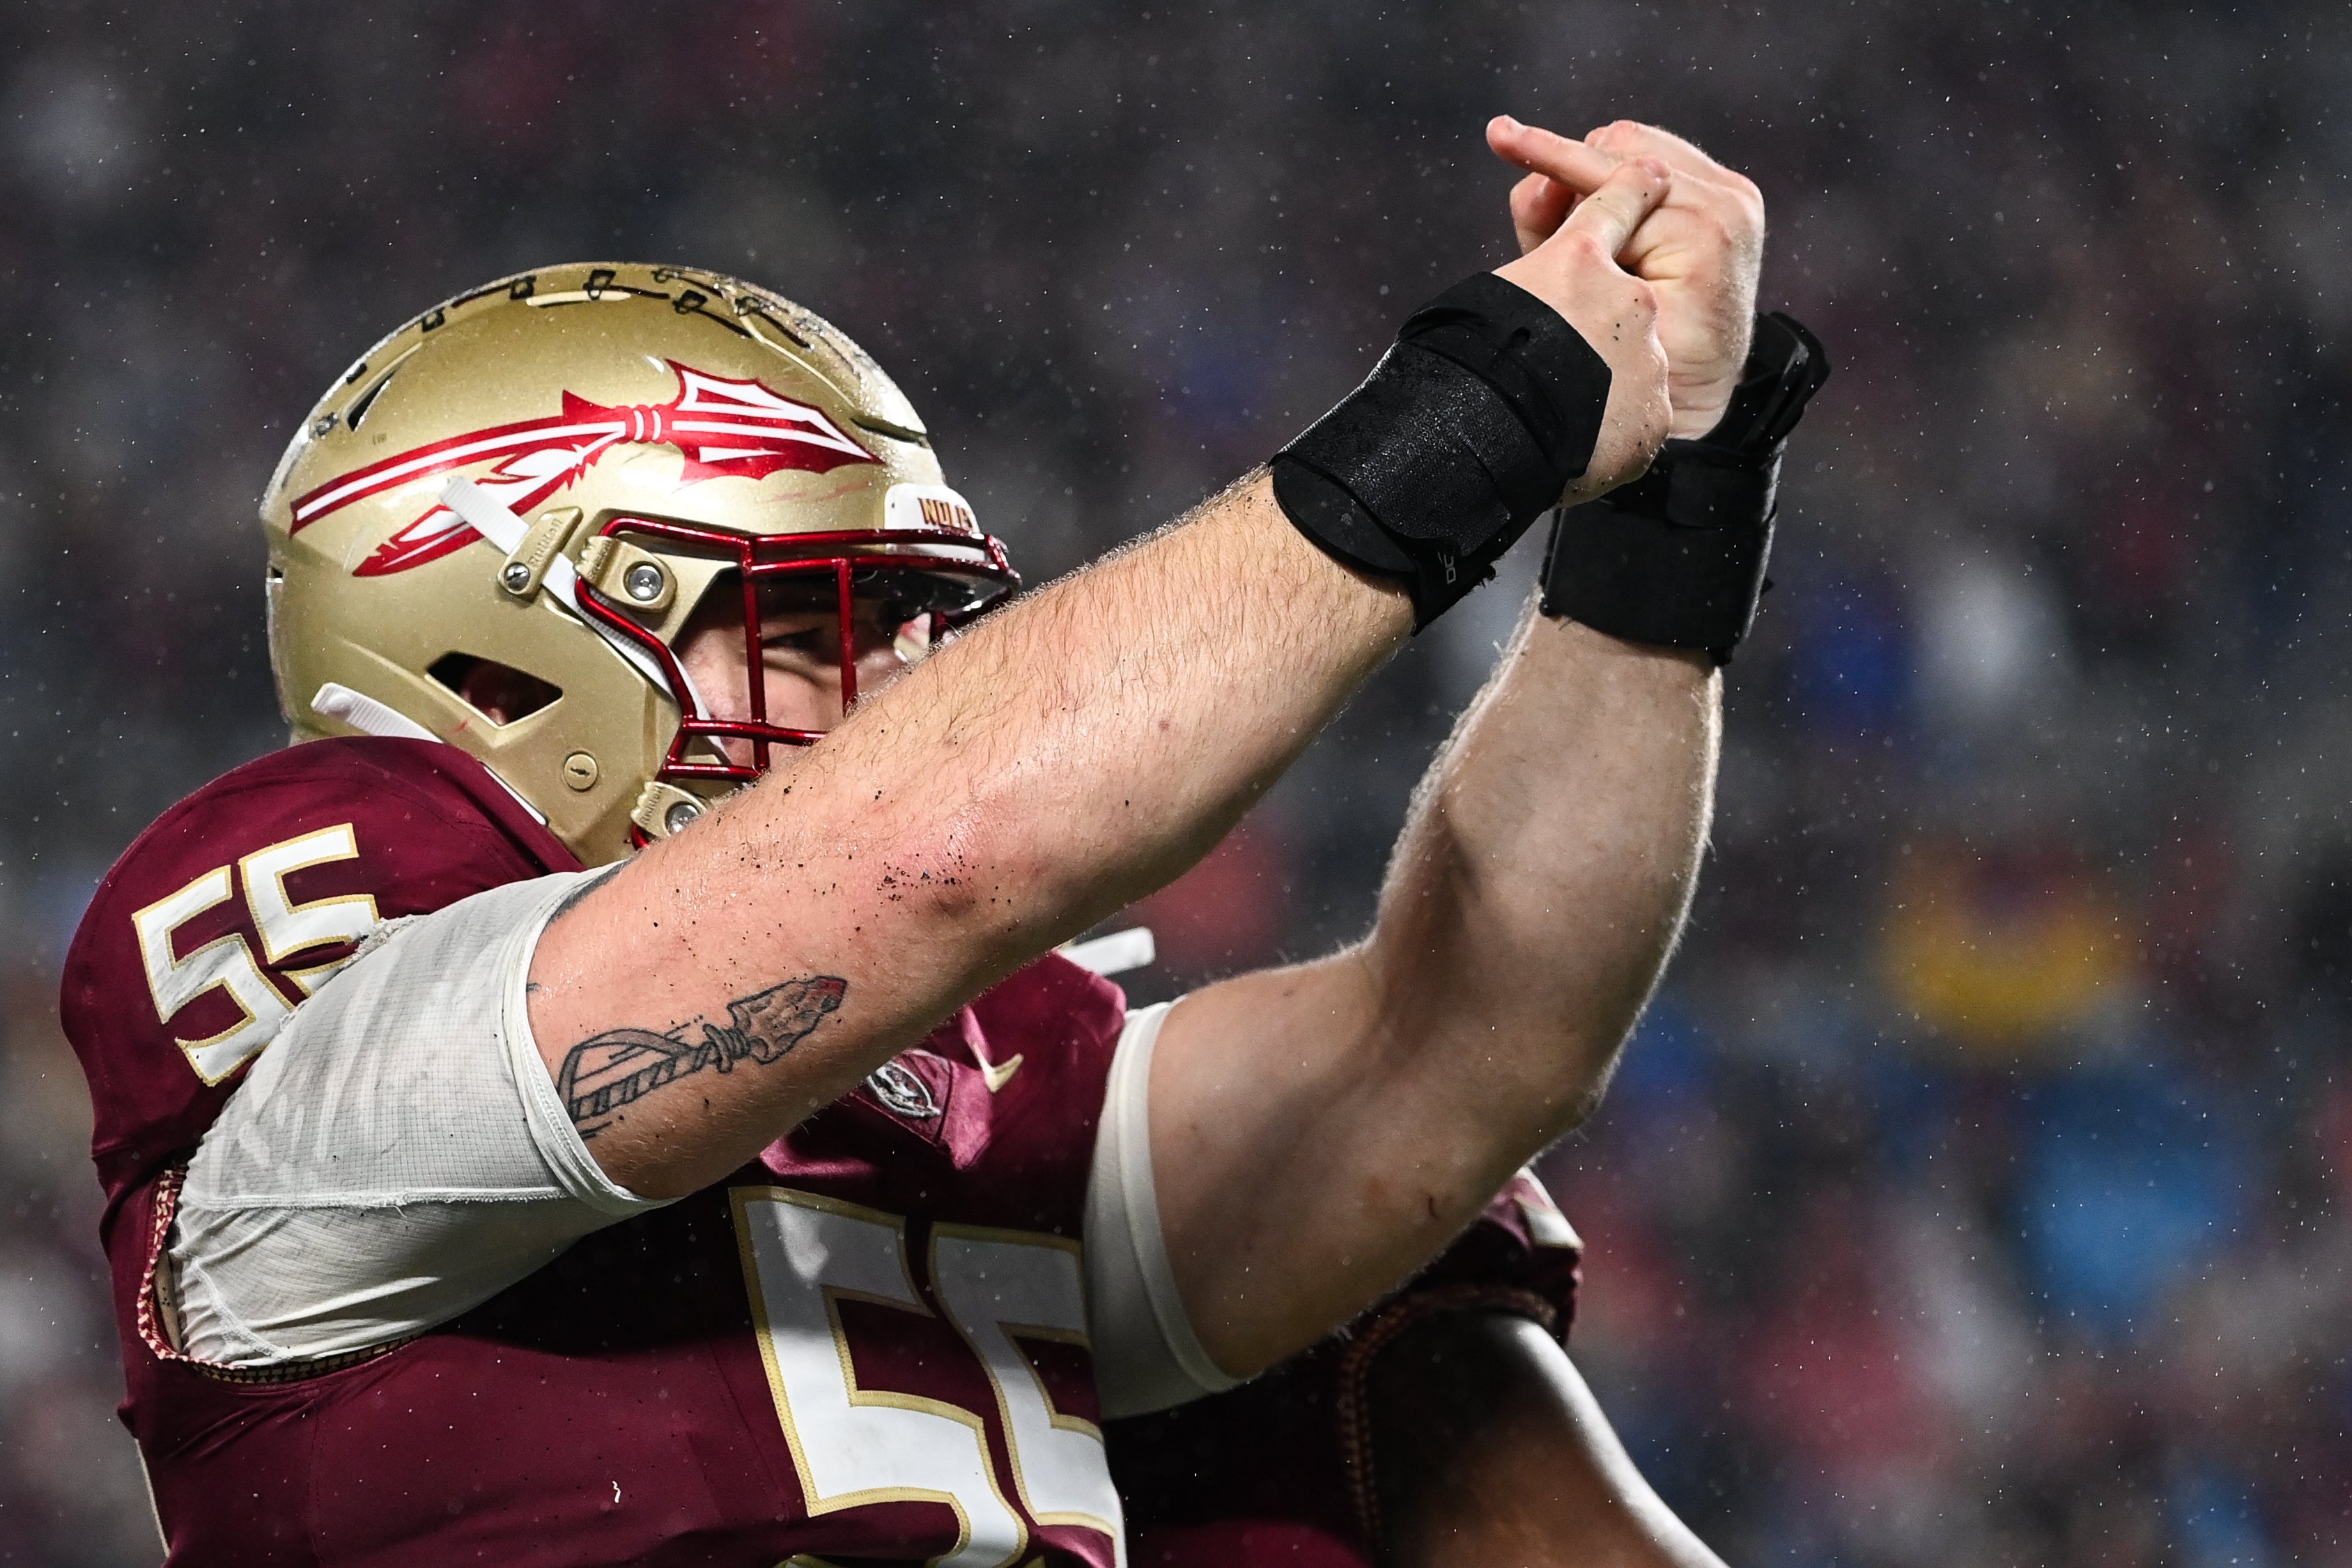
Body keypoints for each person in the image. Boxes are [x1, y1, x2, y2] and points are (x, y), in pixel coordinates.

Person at [62, 114, 1816, 1565]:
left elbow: (1470, 1047)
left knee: (1388, 1295)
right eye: (824, 620)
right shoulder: (334, 1066)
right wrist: (1474, 410)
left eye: (915, 618)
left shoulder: (953, 1090)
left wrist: (1659, 512)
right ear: (507, 642)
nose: (903, 679)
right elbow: (929, 857)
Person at [1109, 120, 1813, 1568]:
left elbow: (1460, 1046)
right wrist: (1500, 393)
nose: (883, 663)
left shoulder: (1008, 1134)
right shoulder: (511, 1061)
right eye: (787, 623)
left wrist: (1665, 469)